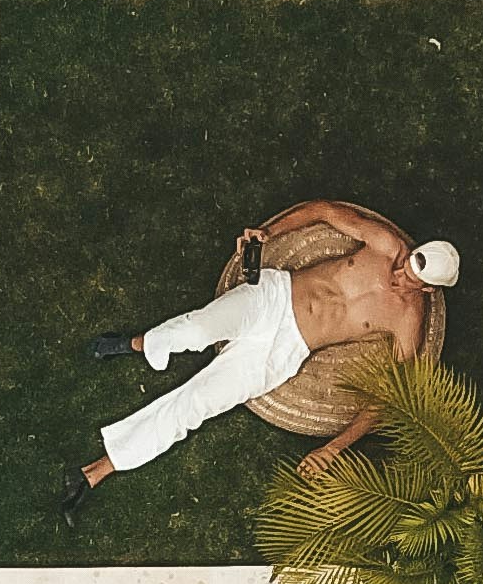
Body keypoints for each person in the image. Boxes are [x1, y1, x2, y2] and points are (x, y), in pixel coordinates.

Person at [63, 200, 459, 514]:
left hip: (285, 351)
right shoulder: (387, 244)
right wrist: (269, 232)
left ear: (427, 291)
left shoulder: (409, 319)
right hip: (272, 298)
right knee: (196, 330)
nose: (399, 273)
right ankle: (137, 343)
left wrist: (334, 447)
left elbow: (392, 396)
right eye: (408, 263)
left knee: (197, 404)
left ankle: (96, 470)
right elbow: (324, 210)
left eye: (411, 279)